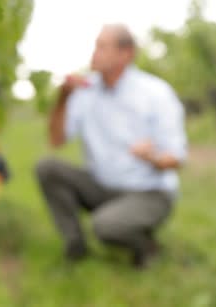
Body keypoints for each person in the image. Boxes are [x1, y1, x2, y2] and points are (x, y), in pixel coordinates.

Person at [36, 24, 187, 268]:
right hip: (102, 187)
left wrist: (153, 158)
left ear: (125, 54)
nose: (94, 53)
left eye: (102, 47)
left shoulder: (155, 93)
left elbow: (177, 159)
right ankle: (76, 249)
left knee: (105, 226)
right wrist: (63, 97)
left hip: (149, 192)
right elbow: (56, 140)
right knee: (48, 168)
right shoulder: (85, 93)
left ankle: (147, 247)